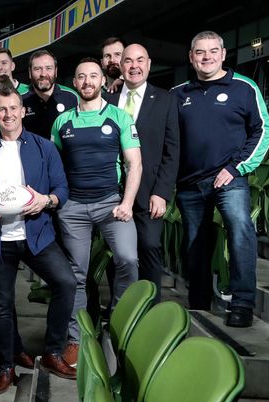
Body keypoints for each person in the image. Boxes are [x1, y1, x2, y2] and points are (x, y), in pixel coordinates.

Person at [0, 88, 76, 394]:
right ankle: (6, 367)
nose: (9, 114)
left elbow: (62, 189)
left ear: (22, 111)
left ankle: (53, 352)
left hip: (37, 235)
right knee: (2, 304)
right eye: (2, 109)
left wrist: (47, 200)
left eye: (14, 108)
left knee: (65, 283)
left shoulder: (44, 147)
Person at [172, 31, 269, 327]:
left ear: (223, 54)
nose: (207, 57)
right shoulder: (178, 93)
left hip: (229, 178)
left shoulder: (244, 87)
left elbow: (263, 131)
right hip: (189, 183)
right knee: (194, 245)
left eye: (212, 51)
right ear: (191, 57)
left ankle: (242, 303)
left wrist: (236, 167)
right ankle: (200, 303)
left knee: (240, 228)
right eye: (200, 52)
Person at [51, 57, 142, 365]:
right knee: (75, 274)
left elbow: (135, 163)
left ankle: (118, 325)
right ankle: (76, 339)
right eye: (81, 77)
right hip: (73, 207)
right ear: (74, 84)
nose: (87, 81)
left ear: (103, 81)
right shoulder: (62, 122)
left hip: (111, 204)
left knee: (128, 259)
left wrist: (127, 202)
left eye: (93, 76)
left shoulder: (120, 116)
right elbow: (56, 166)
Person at [105, 43, 180, 298]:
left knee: (149, 247)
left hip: (149, 193)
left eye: (140, 60)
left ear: (149, 64)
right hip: (112, 192)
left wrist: (162, 192)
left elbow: (172, 150)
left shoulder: (166, 100)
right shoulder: (107, 100)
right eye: (128, 61)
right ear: (121, 66)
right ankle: (120, 307)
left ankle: (150, 306)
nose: (134, 66)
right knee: (115, 252)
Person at [22, 49, 79, 138]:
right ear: (30, 73)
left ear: (55, 71)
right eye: (37, 69)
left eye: (48, 68)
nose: (43, 74)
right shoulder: (20, 99)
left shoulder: (72, 97)